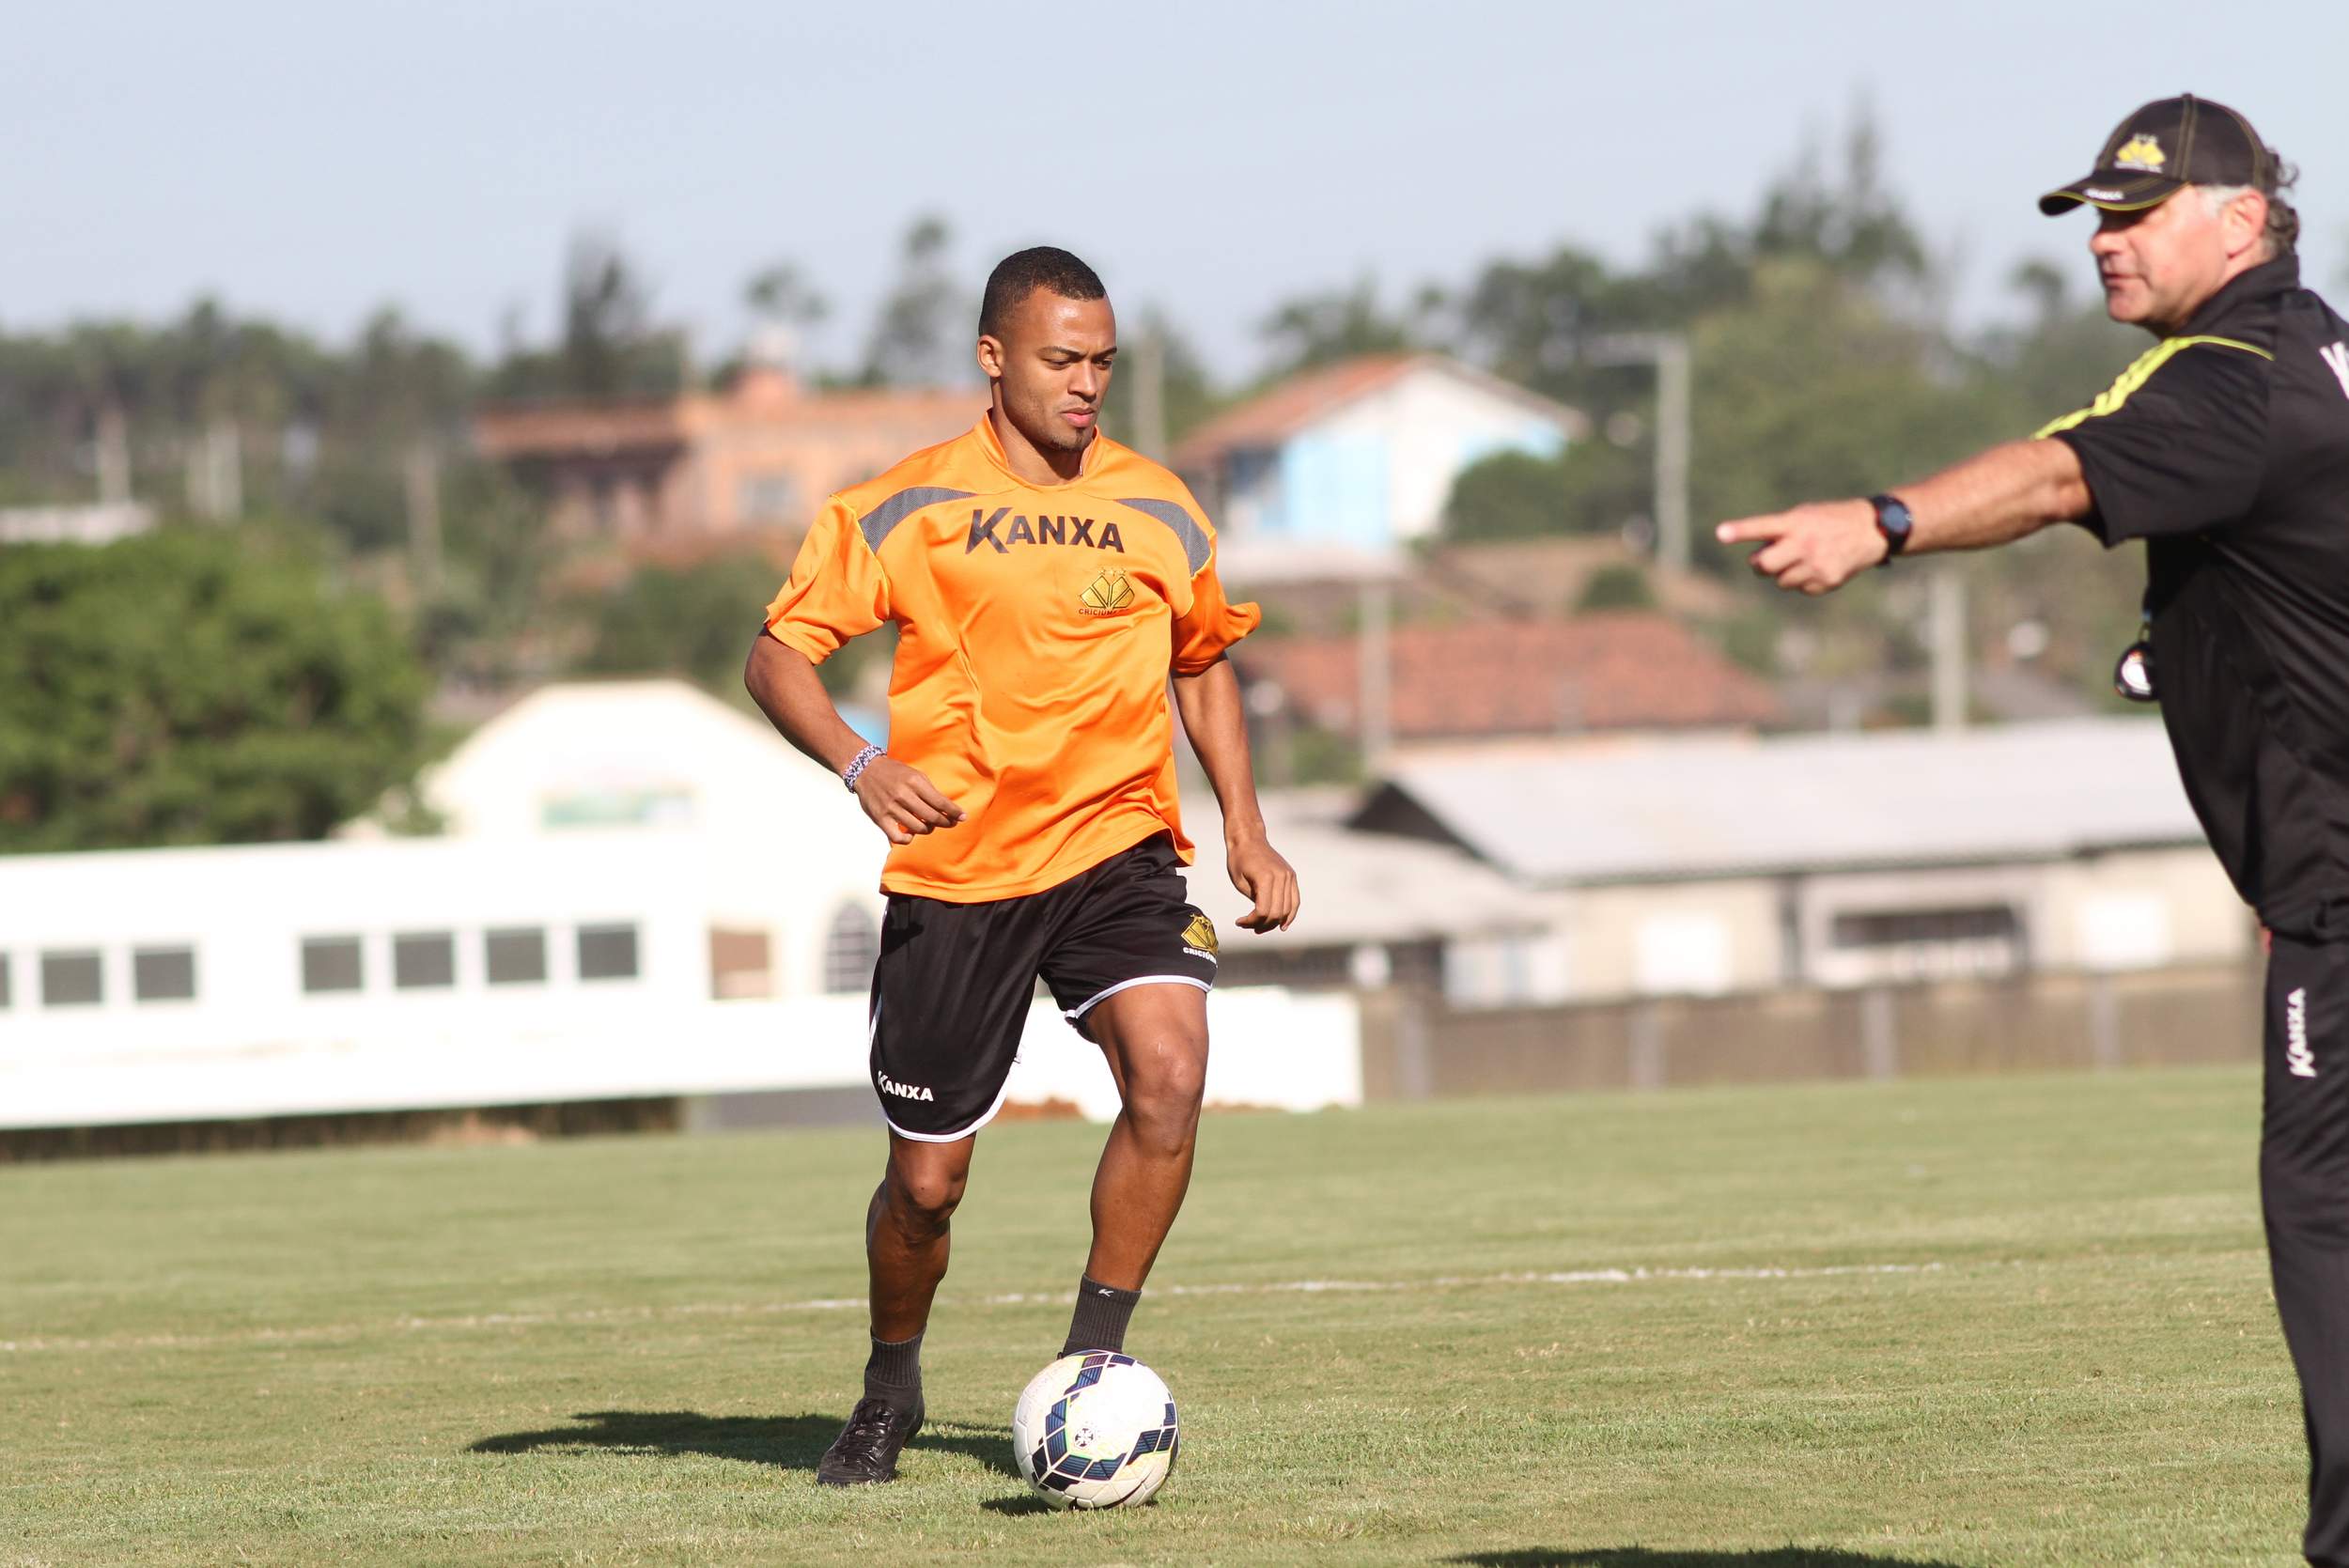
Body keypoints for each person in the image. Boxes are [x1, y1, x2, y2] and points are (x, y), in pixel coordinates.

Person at [1718, 95, 2349, 1565]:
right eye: (2095, 220)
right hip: (2319, 874)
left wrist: (1882, 521)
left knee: (2325, 1207)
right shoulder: (2318, 350)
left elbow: (2063, 475)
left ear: (2240, 220)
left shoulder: (2226, 378)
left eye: (2137, 215)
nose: (2108, 246)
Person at [744, 245, 1300, 1486]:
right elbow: (778, 655)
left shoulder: (1161, 503)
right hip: (961, 874)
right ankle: (890, 1386)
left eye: (1103, 361)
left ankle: (1091, 1370)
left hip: (1119, 849)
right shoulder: (904, 505)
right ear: (993, 358)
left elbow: (1201, 659)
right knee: (928, 1185)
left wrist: (1246, 828)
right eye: (1063, 359)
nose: (1087, 382)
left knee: (1171, 1071)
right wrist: (857, 762)